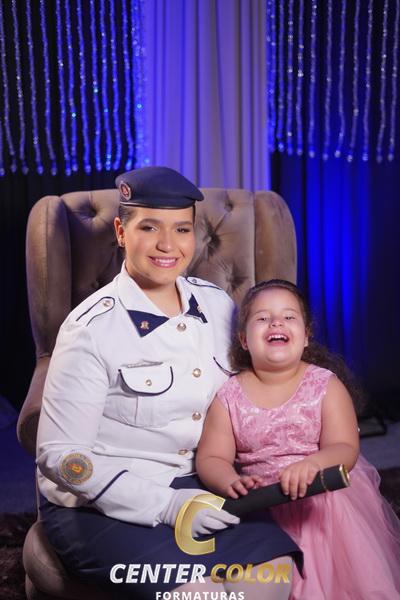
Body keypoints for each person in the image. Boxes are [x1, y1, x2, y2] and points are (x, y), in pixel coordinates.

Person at [36, 168, 302, 600]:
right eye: (149, 228)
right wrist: (167, 505)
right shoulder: (90, 329)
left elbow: (255, 385)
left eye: (181, 229)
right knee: (199, 593)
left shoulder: (216, 305)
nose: (168, 245)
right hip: (102, 506)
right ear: (121, 232)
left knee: (273, 576)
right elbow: (61, 455)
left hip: (202, 485)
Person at [196, 279, 400, 600]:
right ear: (243, 340)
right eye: (263, 318)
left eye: (288, 317)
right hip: (263, 507)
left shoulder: (325, 385)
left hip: (323, 507)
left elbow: (345, 447)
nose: (276, 323)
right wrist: (228, 480)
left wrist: (313, 465)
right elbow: (211, 457)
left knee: (338, 585)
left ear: (306, 336)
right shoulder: (229, 396)